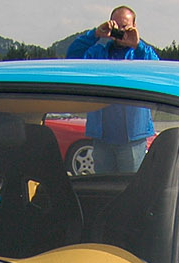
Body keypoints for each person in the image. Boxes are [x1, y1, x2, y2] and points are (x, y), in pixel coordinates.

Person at [67, 7, 159, 172]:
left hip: (132, 139)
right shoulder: (98, 54)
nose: (120, 31)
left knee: (131, 185)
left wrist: (137, 45)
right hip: (102, 139)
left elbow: (158, 70)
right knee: (104, 185)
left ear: (134, 27)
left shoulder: (140, 55)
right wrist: (95, 34)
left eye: (125, 27)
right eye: (116, 26)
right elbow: (72, 57)